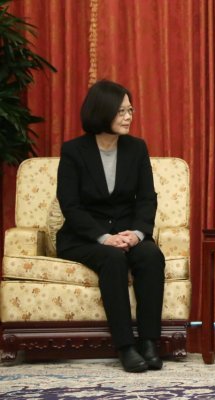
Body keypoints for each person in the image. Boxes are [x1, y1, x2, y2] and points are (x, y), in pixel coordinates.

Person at [56, 80, 165, 373]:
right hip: (84, 237)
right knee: (113, 259)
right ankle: (125, 346)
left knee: (151, 255)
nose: (128, 117)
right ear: (102, 112)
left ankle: (149, 342)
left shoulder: (136, 148)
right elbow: (70, 205)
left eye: (130, 110)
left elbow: (147, 198)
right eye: (121, 112)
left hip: (128, 232)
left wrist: (138, 234)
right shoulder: (74, 151)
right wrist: (103, 237)